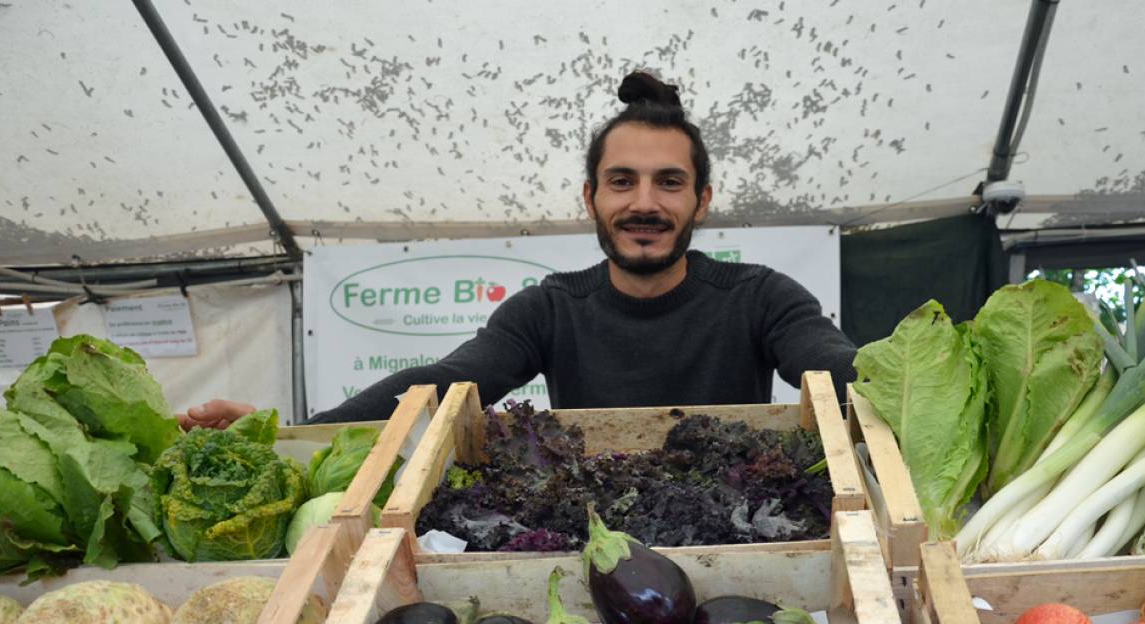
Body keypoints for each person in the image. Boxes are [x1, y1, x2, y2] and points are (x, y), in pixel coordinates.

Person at [181, 71, 857, 430]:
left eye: (669, 183)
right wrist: (297, 431)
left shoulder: (762, 298)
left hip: (740, 565)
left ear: (702, 201)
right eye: (623, 181)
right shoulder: (550, 311)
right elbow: (444, 384)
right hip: (593, 565)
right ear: (590, 197)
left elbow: (831, 366)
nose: (645, 203)